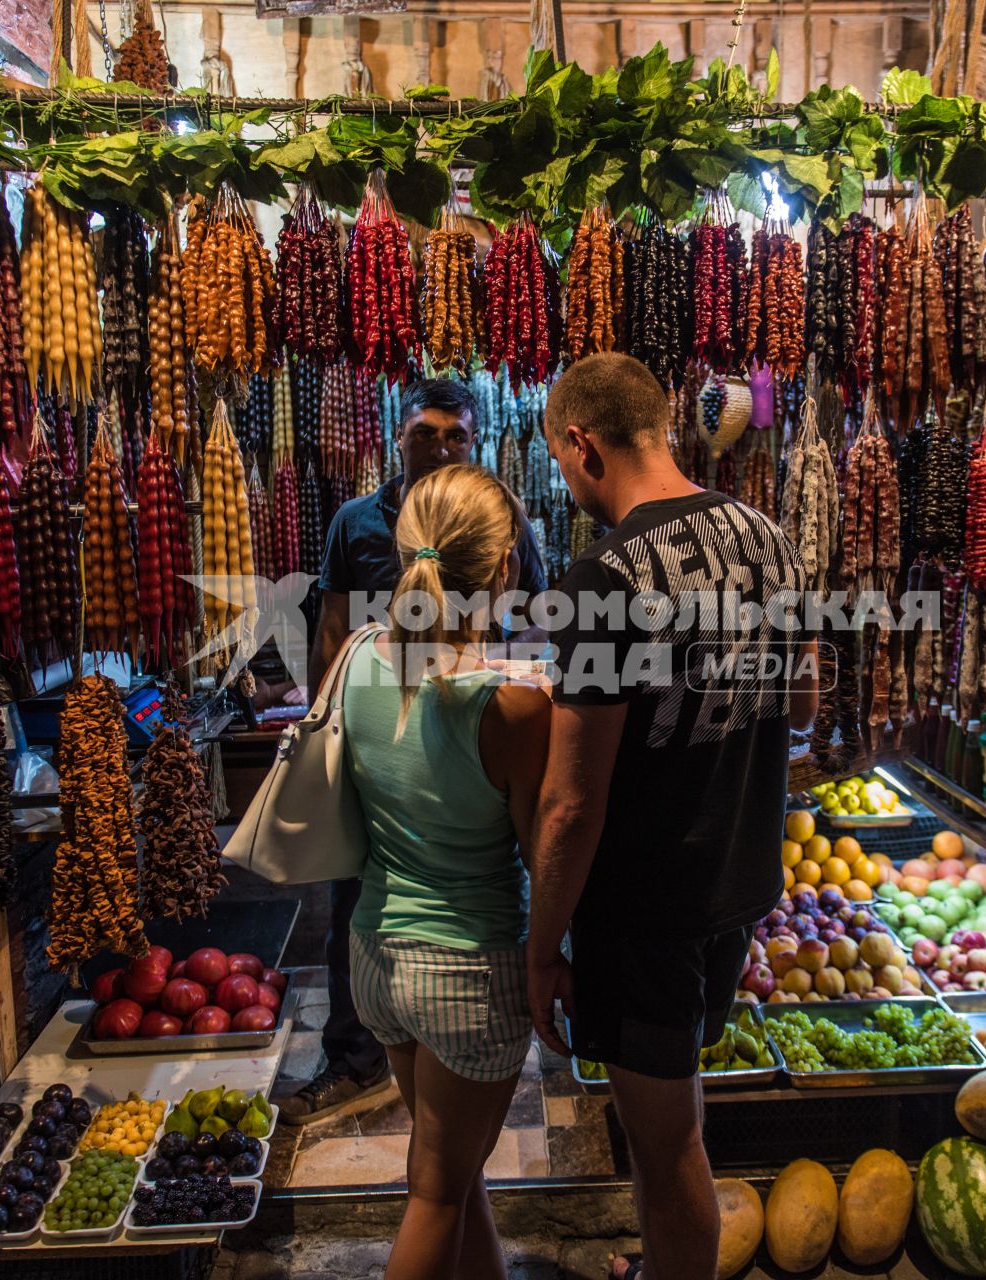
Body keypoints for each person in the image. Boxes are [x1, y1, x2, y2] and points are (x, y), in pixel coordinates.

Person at [528, 353, 817, 1280]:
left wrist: (542, 950)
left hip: (643, 909)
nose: (565, 480)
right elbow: (805, 701)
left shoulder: (600, 583)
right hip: (733, 883)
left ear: (582, 444)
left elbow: (573, 805)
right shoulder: (766, 536)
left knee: (667, 1145)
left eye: (560, 461)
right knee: (674, 1118)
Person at [286, 379, 549, 1126]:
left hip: (464, 745)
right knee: (355, 900)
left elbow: (531, 623)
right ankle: (350, 1058)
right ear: (395, 435)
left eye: (455, 435)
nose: (438, 447)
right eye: (424, 433)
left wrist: (504, 688)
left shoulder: (497, 524)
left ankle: (390, 1047)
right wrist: (327, 734)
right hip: (390, 752)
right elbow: (333, 633)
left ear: (476, 440)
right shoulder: (355, 524)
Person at [341, 464, 550, 1280]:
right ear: (504, 568)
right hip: (467, 970)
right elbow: (542, 851)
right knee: (436, 1191)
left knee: (452, 1179)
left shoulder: (357, 661)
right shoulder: (512, 707)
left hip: (377, 960)